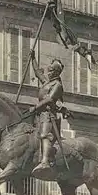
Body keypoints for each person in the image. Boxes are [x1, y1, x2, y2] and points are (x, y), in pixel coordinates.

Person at [28, 49, 66, 177]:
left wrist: (35, 107)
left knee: (44, 134)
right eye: (48, 71)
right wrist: (33, 58)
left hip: (49, 115)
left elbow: (50, 99)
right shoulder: (47, 82)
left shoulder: (57, 85)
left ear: (56, 72)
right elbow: (38, 73)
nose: (48, 73)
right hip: (40, 114)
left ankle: (44, 162)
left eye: (50, 71)